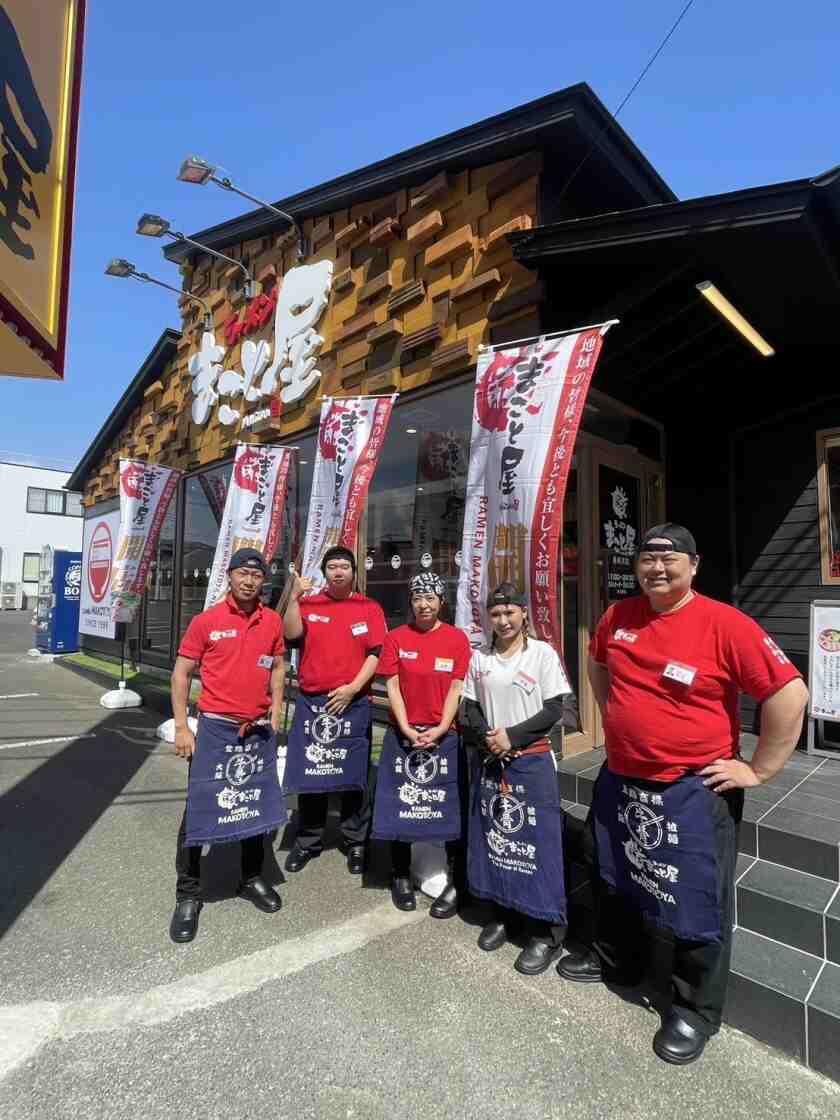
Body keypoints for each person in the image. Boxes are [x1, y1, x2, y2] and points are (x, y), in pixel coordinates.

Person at [558, 523, 809, 1065]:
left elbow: (789, 693)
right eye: (648, 558)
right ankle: (618, 961)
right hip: (623, 778)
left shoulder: (725, 623)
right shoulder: (617, 617)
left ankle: (693, 1010)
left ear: (694, 566)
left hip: (693, 791)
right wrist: (619, 723)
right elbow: (600, 667)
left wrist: (758, 769)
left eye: (671, 560)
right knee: (614, 874)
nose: (657, 568)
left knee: (697, 901)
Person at [169, 548, 287, 944]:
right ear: (230, 576)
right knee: (199, 811)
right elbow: (182, 674)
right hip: (215, 732)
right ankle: (188, 893)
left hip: (256, 732)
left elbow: (278, 667)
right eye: (243, 574)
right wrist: (183, 727)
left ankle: (250, 879)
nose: (250, 581)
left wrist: (276, 712)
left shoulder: (271, 621)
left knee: (253, 808)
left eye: (257, 575)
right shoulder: (207, 621)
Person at [461, 583, 574, 975]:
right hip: (493, 761)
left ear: (524, 613)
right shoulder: (480, 658)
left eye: (510, 612)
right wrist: (489, 738)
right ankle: (502, 914)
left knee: (537, 846)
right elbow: (469, 708)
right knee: (498, 841)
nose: (504, 620)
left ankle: (545, 932)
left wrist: (513, 736)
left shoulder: (542, 654)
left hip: (532, 761)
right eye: (496, 614)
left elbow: (554, 709)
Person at [371, 572, 472, 917]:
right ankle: (399, 875)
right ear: (410, 602)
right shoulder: (396, 638)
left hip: (445, 736)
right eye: (417, 598)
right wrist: (405, 728)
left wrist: (443, 727)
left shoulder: (457, 640)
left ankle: (455, 878)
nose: (423, 605)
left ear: (441, 601)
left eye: (430, 598)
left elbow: (457, 688)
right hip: (404, 734)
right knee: (402, 804)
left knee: (447, 804)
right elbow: (393, 687)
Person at [282, 546, 385, 875]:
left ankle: (355, 842)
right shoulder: (310, 604)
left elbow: (376, 653)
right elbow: (290, 633)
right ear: (324, 572)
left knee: (353, 777)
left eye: (344, 566)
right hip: (314, 703)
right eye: (332, 567)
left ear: (354, 572)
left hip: (353, 702)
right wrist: (294, 597)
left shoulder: (368, 607)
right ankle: (308, 841)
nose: (338, 571)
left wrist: (353, 688)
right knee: (313, 774)